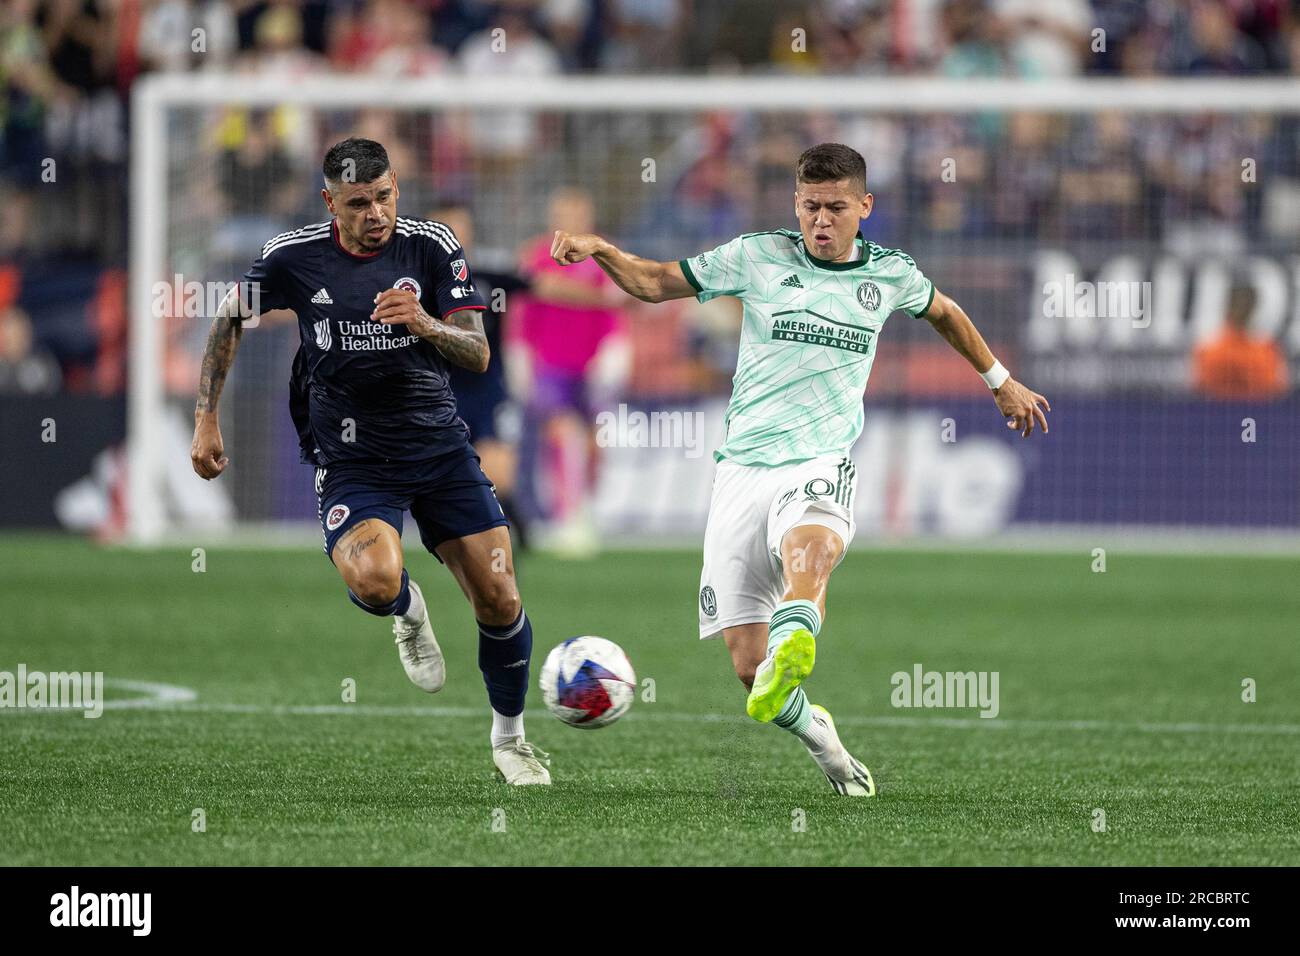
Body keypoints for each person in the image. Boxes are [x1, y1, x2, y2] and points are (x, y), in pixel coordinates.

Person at [550, 143, 1051, 795]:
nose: (822, 219)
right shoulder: (757, 256)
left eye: (836, 208)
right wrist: (603, 250)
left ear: (864, 207)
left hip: (818, 460)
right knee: (747, 667)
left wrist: (1000, 381)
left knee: (808, 551)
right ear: (796, 203)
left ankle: (798, 637)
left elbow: (946, 313)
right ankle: (823, 738)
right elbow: (654, 283)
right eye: (811, 206)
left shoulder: (891, 273)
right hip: (740, 472)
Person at [189, 138, 551, 785]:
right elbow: (230, 318)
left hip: (437, 446)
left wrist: (426, 324)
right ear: (330, 202)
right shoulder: (292, 258)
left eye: (384, 197)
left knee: (499, 595)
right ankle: (408, 610)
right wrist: (206, 417)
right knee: (376, 579)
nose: (375, 213)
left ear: (397, 190)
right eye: (358, 203)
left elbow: (477, 353)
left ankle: (511, 741)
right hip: (352, 457)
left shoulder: (433, 247)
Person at [514, 188, 630, 554]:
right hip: (551, 365)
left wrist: (616, 348)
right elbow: (523, 313)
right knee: (562, 436)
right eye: (563, 212)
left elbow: (616, 308)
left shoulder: (605, 255)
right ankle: (567, 517)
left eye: (578, 213)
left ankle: (585, 509)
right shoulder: (535, 258)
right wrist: (520, 354)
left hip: (593, 365)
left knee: (595, 445)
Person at [428, 201, 532, 550]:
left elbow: (544, 286)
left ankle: (519, 531)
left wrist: (610, 296)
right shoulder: (413, 281)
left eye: (460, 225)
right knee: (447, 478)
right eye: (446, 226)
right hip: (438, 392)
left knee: (499, 476)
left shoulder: (490, 275)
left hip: (488, 390)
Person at [1193, 284, 1288, 400]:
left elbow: (1276, 389)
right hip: (1217, 413)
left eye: (1246, 305)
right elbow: (1200, 388)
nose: (1242, 310)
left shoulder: (1266, 349)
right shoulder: (1209, 347)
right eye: (1238, 305)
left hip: (1257, 413)